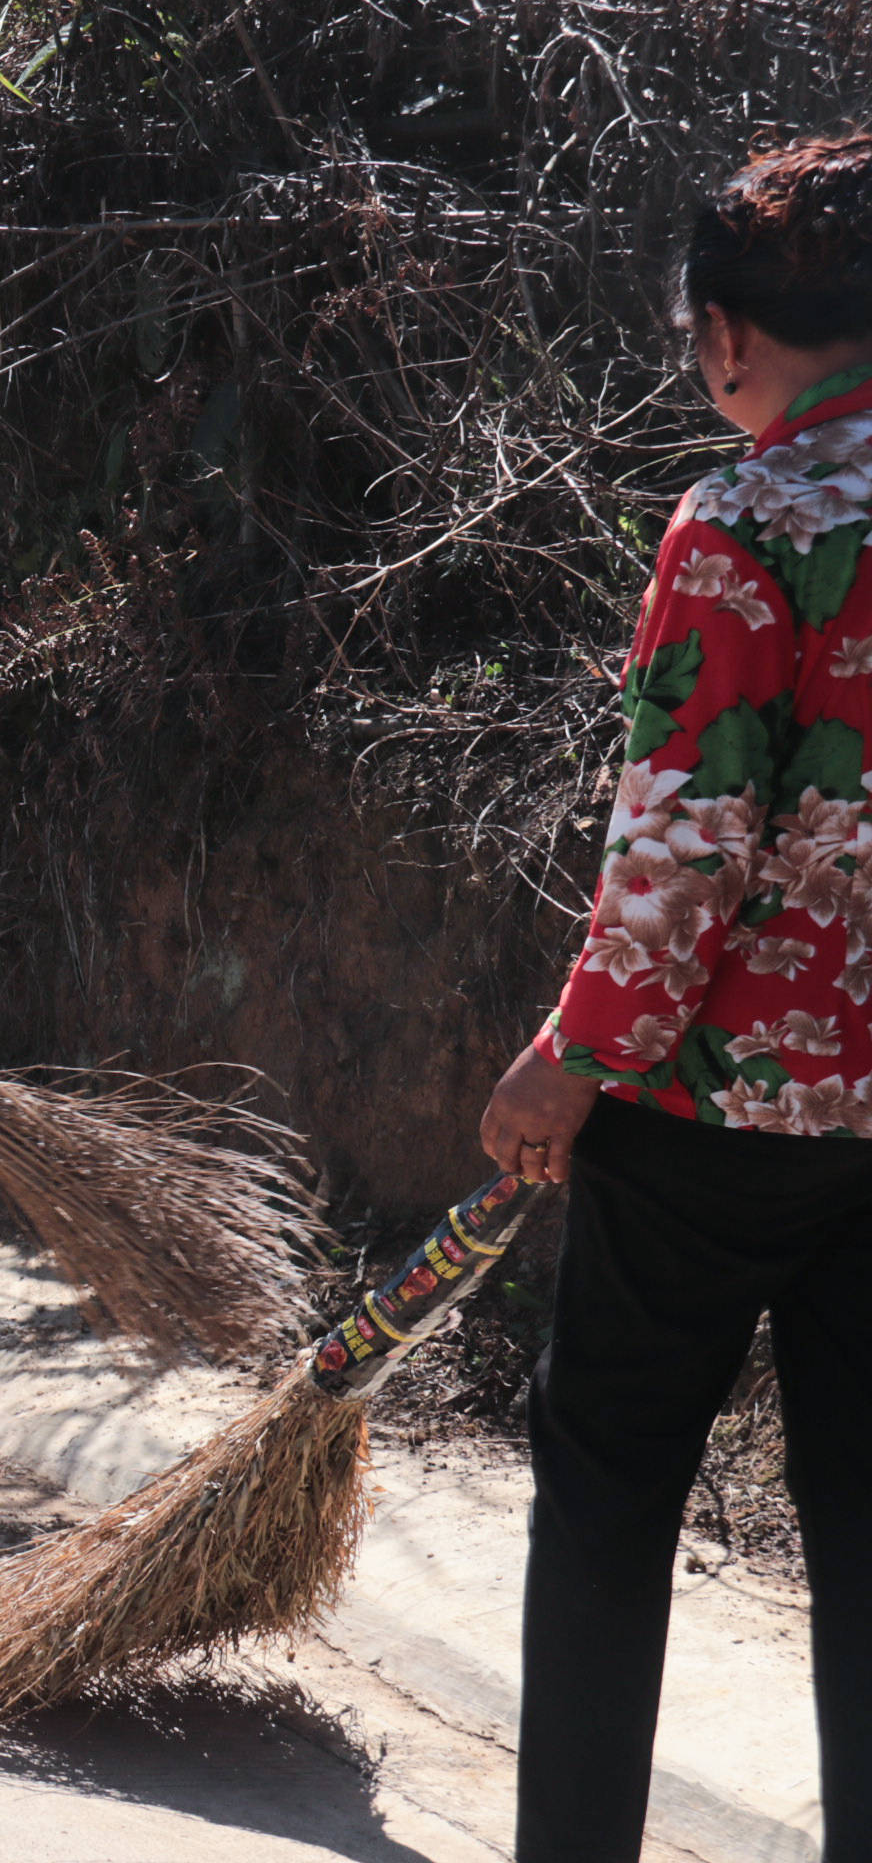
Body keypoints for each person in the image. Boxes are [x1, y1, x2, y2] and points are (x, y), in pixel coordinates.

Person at [477, 129, 872, 1859]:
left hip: (717, 1111)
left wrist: (569, 1061)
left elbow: (687, 848)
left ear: (725, 334)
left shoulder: (747, 523)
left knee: (613, 1481)